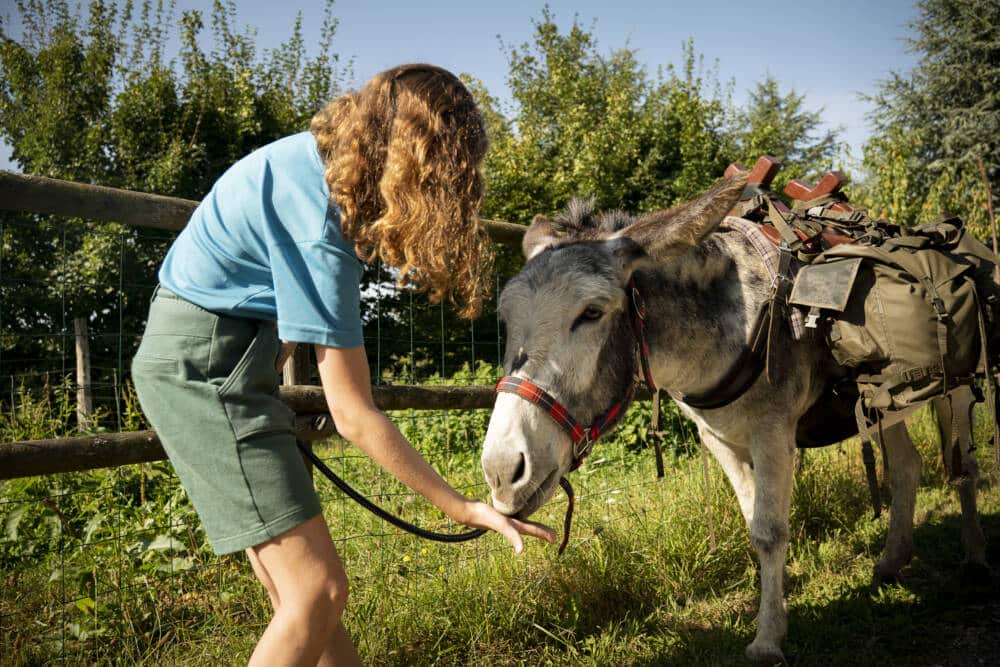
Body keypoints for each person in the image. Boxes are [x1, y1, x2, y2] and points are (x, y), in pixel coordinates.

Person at [130, 63, 555, 666]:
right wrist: (462, 506)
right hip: (204, 373)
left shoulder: (309, 166)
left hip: (214, 362)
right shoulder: (319, 216)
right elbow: (353, 414)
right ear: (421, 159)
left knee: (304, 600)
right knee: (317, 591)